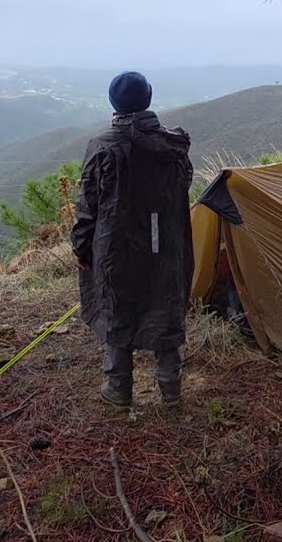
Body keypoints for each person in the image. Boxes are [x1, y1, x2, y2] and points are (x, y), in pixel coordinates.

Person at [71, 71, 194, 409]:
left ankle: (118, 388)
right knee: (164, 302)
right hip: (166, 244)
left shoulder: (103, 146)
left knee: (117, 304)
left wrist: (81, 247)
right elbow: (184, 184)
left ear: (115, 104)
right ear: (148, 99)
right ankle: (170, 389)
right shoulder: (174, 146)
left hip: (116, 245)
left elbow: (88, 205)